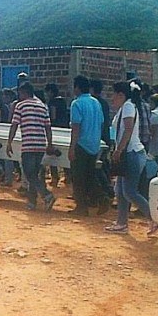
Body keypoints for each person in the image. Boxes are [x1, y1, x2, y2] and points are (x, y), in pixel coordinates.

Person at [105, 81, 158, 236]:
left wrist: (119, 150)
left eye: (113, 94)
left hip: (131, 153)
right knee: (120, 190)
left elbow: (128, 130)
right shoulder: (126, 106)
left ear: (121, 94)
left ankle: (153, 218)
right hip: (130, 153)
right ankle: (122, 223)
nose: (112, 98)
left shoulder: (128, 107)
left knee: (129, 191)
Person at [6, 82, 56, 211]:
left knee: (29, 174)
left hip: (28, 144)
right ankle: (32, 202)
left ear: (23, 93)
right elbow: (48, 127)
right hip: (40, 144)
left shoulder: (20, 106)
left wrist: (9, 142)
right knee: (34, 174)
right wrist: (49, 144)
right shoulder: (42, 106)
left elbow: (14, 125)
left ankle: (46, 195)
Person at [68, 75, 107, 216]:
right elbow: (101, 123)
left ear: (77, 87)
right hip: (94, 144)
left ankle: (81, 207)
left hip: (81, 144)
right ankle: (102, 198)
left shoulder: (76, 103)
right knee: (90, 176)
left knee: (78, 177)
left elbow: (76, 128)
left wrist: (72, 147)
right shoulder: (96, 102)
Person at [45, 83, 69, 187]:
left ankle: (55, 177)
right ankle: (68, 176)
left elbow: (53, 116)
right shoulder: (63, 101)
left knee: (52, 153)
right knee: (64, 153)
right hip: (64, 129)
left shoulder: (52, 102)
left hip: (55, 129)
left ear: (50, 92)